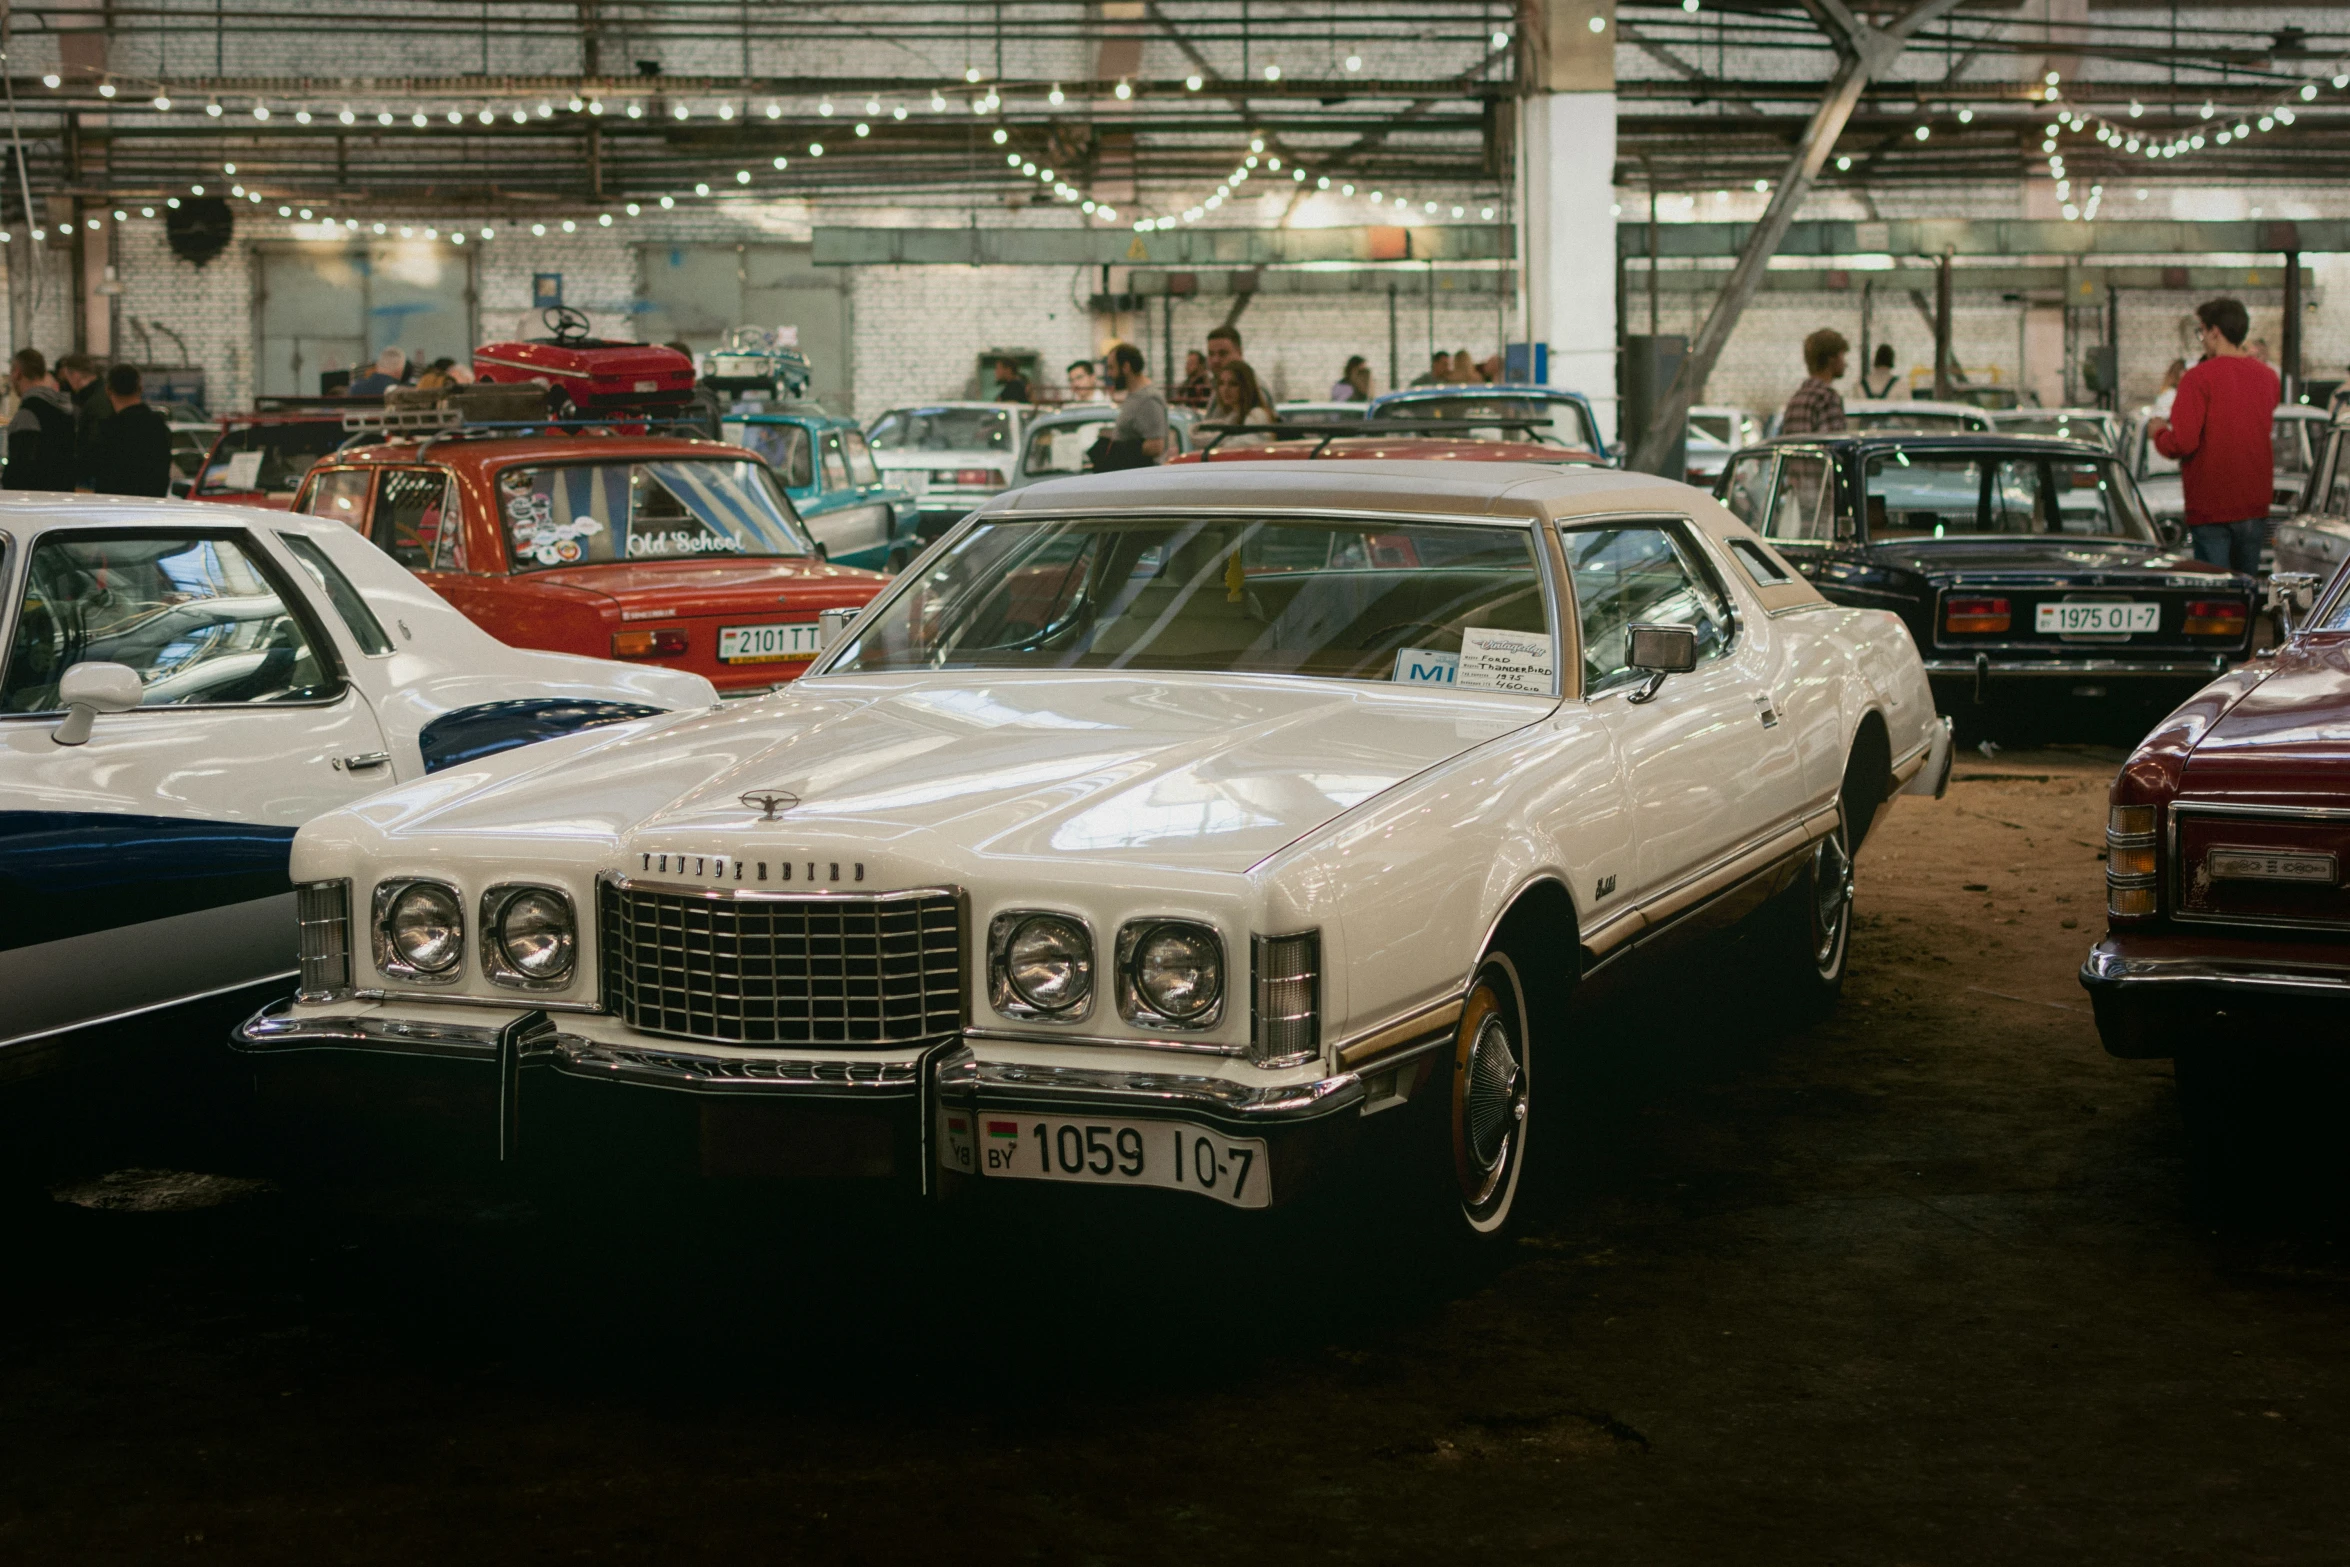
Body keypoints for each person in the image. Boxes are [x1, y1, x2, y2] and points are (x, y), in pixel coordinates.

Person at [2150, 297, 2279, 575]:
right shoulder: (2268, 378)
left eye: (2202, 332)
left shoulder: (2197, 379)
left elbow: (2182, 442)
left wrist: (2158, 432)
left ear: (2215, 331)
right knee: (2247, 590)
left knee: (2216, 599)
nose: (2202, 339)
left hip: (2211, 505)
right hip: (2254, 503)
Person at [85, 363, 174, 498]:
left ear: (108, 390)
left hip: (114, 506)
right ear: (140, 389)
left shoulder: (107, 428)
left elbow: (94, 469)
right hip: (150, 506)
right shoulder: (157, 425)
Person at [4, 349, 79, 491]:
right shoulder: (65, 409)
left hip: (33, 501)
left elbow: (20, 468)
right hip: (63, 497)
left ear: (17, 373)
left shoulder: (28, 413)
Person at [1095, 342, 1167, 470]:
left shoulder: (1148, 399)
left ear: (1126, 367)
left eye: (1112, 368)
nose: (1109, 374)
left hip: (1140, 477)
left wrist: (1120, 450)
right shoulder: (1134, 395)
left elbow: (1156, 445)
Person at [1780, 328, 1850, 436]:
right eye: (1842, 356)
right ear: (1831, 358)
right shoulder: (1828, 398)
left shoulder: (1796, 400)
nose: (1845, 364)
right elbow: (1834, 445)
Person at [56, 351, 110, 485]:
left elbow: (90, 439)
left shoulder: (89, 401)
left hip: (91, 472)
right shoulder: (103, 392)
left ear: (74, 375)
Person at [1205, 358, 1276, 447]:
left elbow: (1245, 444)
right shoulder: (1232, 417)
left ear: (1245, 386)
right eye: (1221, 383)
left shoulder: (1257, 415)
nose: (1225, 389)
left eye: (1233, 384)